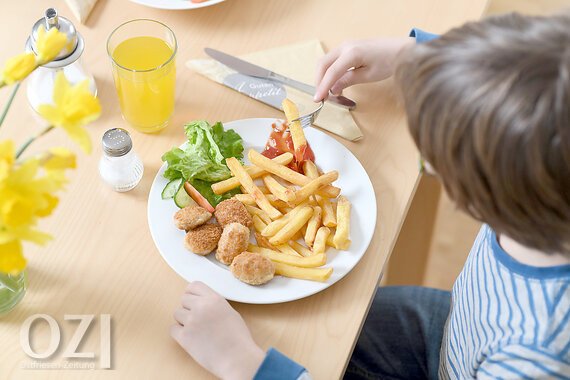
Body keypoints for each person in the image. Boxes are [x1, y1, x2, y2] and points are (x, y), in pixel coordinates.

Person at [169, 12, 570, 379]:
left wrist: (243, 364)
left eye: (436, 161)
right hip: (456, 329)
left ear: (485, 194)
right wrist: (416, 54)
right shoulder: (544, 188)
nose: (427, 166)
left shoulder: (533, 357)